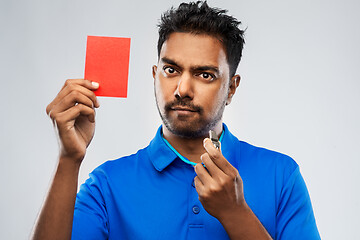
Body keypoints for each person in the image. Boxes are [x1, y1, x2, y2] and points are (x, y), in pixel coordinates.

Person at [32, 1, 320, 239]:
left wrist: (236, 213)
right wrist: (68, 159)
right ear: (154, 75)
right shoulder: (107, 185)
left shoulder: (282, 176)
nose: (182, 89)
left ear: (231, 87)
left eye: (204, 74)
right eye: (171, 70)